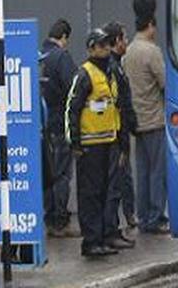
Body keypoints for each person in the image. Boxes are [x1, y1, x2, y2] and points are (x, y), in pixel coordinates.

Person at [65, 29, 134, 257]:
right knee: (90, 195)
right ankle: (91, 241)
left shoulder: (110, 72)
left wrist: (122, 141)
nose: (105, 49)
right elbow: (71, 110)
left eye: (107, 45)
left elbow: (117, 107)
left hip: (108, 142)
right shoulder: (85, 74)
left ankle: (103, 237)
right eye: (100, 45)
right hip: (89, 146)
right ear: (91, 48)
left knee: (106, 192)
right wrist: (74, 144)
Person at [123, 0, 169, 234]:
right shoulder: (151, 51)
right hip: (155, 119)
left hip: (136, 121)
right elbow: (165, 84)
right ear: (150, 25)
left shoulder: (128, 51)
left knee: (141, 172)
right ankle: (156, 217)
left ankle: (142, 216)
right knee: (157, 172)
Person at [40, 18, 79, 238]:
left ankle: (49, 218)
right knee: (62, 174)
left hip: (44, 125)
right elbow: (74, 89)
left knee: (48, 173)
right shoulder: (61, 57)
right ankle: (61, 221)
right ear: (64, 37)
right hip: (60, 123)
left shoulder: (40, 56)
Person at [103, 21, 139, 234]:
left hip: (113, 133)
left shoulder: (113, 66)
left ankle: (125, 217)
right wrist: (125, 138)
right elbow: (122, 105)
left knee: (120, 179)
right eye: (124, 38)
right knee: (118, 180)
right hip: (116, 134)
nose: (126, 42)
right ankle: (117, 224)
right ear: (116, 41)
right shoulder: (114, 69)